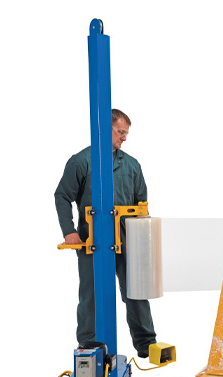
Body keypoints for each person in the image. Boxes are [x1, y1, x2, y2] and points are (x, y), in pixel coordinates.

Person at [54, 109, 156, 357]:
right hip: (94, 241)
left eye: (126, 133)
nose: (124, 138)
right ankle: (89, 346)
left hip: (128, 241)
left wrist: (144, 241)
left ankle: (146, 344)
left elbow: (142, 205)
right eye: (120, 132)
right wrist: (69, 231)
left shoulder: (131, 165)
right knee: (91, 295)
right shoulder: (82, 161)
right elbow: (62, 196)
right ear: (105, 129)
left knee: (136, 293)